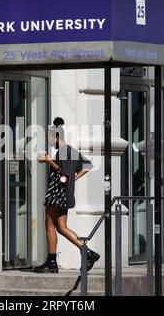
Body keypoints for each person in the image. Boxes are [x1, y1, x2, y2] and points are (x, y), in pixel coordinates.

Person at [34, 117, 100, 273]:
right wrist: (75, 177)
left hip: (57, 193)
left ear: (57, 136)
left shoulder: (63, 152)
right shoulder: (72, 150)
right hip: (67, 194)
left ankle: (51, 263)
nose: (49, 141)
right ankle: (87, 252)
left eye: (50, 138)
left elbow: (62, 174)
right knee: (62, 227)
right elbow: (88, 165)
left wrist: (48, 161)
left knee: (49, 225)